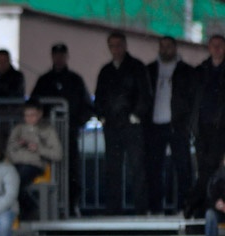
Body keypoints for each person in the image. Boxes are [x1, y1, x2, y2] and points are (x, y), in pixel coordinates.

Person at [30, 43, 94, 216]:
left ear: (66, 56)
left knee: (71, 171)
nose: (58, 58)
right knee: (46, 170)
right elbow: (34, 106)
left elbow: (87, 107)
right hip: (45, 137)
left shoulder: (75, 80)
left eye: (61, 55)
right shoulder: (44, 81)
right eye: (56, 55)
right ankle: (47, 208)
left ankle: (72, 205)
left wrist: (75, 124)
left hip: (69, 135)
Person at [95, 31, 153, 215]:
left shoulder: (137, 67)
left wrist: (136, 115)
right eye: (112, 45)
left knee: (137, 167)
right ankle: (113, 209)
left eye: (119, 44)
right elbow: (99, 97)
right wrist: (102, 116)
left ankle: (141, 209)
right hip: (112, 125)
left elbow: (145, 94)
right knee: (112, 168)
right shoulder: (106, 71)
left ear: (125, 45)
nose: (116, 49)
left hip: (132, 125)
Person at [145, 36, 195, 215]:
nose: (165, 50)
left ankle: (184, 206)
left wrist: (187, 122)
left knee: (182, 168)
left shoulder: (186, 71)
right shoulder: (149, 70)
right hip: (155, 125)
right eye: (162, 46)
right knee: (154, 168)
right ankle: (155, 208)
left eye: (168, 46)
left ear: (175, 48)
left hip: (177, 125)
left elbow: (191, 99)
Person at [187, 34, 225, 218]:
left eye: (220, 45)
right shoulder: (201, 71)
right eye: (213, 45)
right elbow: (193, 99)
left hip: (221, 129)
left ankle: (202, 205)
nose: (217, 49)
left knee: (214, 167)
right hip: (203, 127)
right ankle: (203, 206)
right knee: (204, 168)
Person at [6, 99, 63, 220]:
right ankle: (23, 211)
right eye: (26, 115)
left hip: (34, 165)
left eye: (32, 115)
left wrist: (38, 148)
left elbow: (57, 154)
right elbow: (9, 150)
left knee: (15, 182)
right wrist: (19, 144)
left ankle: (29, 209)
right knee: (6, 179)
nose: (29, 118)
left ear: (40, 114)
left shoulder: (47, 130)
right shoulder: (18, 129)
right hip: (15, 164)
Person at [204, 153, 225, 236]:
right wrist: (217, 204)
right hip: (221, 212)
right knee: (210, 215)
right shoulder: (217, 177)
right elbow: (210, 196)